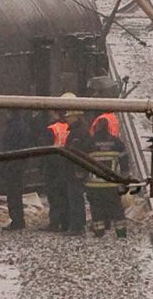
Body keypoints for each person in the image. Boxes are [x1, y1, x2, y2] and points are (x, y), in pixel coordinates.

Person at [85, 119, 129, 238]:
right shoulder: (117, 142)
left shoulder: (90, 142)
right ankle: (121, 232)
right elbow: (124, 162)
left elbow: (82, 162)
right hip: (111, 185)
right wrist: (125, 180)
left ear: (96, 127)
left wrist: (82, 179)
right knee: (117, 209)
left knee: (97, 209)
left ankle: (99, 232)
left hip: (94, 185)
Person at [63, 99, 94, 237]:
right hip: (77, 169)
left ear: (75, 116)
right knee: (76, 198)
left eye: (68, 116)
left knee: (75, 198)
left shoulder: (77, 133)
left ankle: (77, 226)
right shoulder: (82, 131)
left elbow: (75, 151)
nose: (67, 119)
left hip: (75, 170)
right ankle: (77, 225)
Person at [0, 110, 33, 231]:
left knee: (13, 194)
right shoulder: (23, 126)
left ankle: (17, 220)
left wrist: (6, 164)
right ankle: (18, 219)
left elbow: (8, 147)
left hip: (12, 164)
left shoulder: (13, 127)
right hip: (18, 164)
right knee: (16, 193)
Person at [41, 110, 70, 232]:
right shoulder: (69, 127)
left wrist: (42, 167)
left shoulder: (52, 128)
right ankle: (65, 222)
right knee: (65, 195)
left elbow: (44, 150)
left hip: (53, 165)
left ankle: (54, 222)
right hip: (67, 163)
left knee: (53, 195)